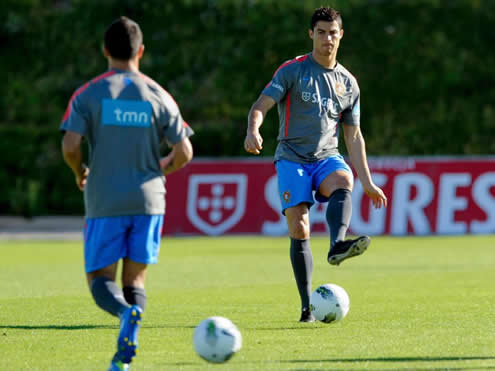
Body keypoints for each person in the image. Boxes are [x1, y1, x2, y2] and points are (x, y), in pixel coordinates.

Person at [61, 16, 193, 370]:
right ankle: (132, 322)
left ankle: (124, 313)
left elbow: (71, 145)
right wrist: (158, 169)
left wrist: (80, 172)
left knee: (100, 279)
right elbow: (184, 153)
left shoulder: (89, 93)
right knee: (135, 279)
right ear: (141, 51)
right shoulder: (159, 94)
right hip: (150, 200)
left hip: (105, 199)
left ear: (105, 50)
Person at [244, 7, 387, 323]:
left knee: (343, 179)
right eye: (320, 32)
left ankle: (337, 245)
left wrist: (368, 182)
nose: (327, 38)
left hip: (326, 156)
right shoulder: (293, 71)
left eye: (332, 32)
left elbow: (354, 137)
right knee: (299, 224)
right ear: (311, 34)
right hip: (292, 157)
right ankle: (307, 307)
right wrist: (253, 129)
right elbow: (260, 106)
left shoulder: (348, 83)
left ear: (341, 35)